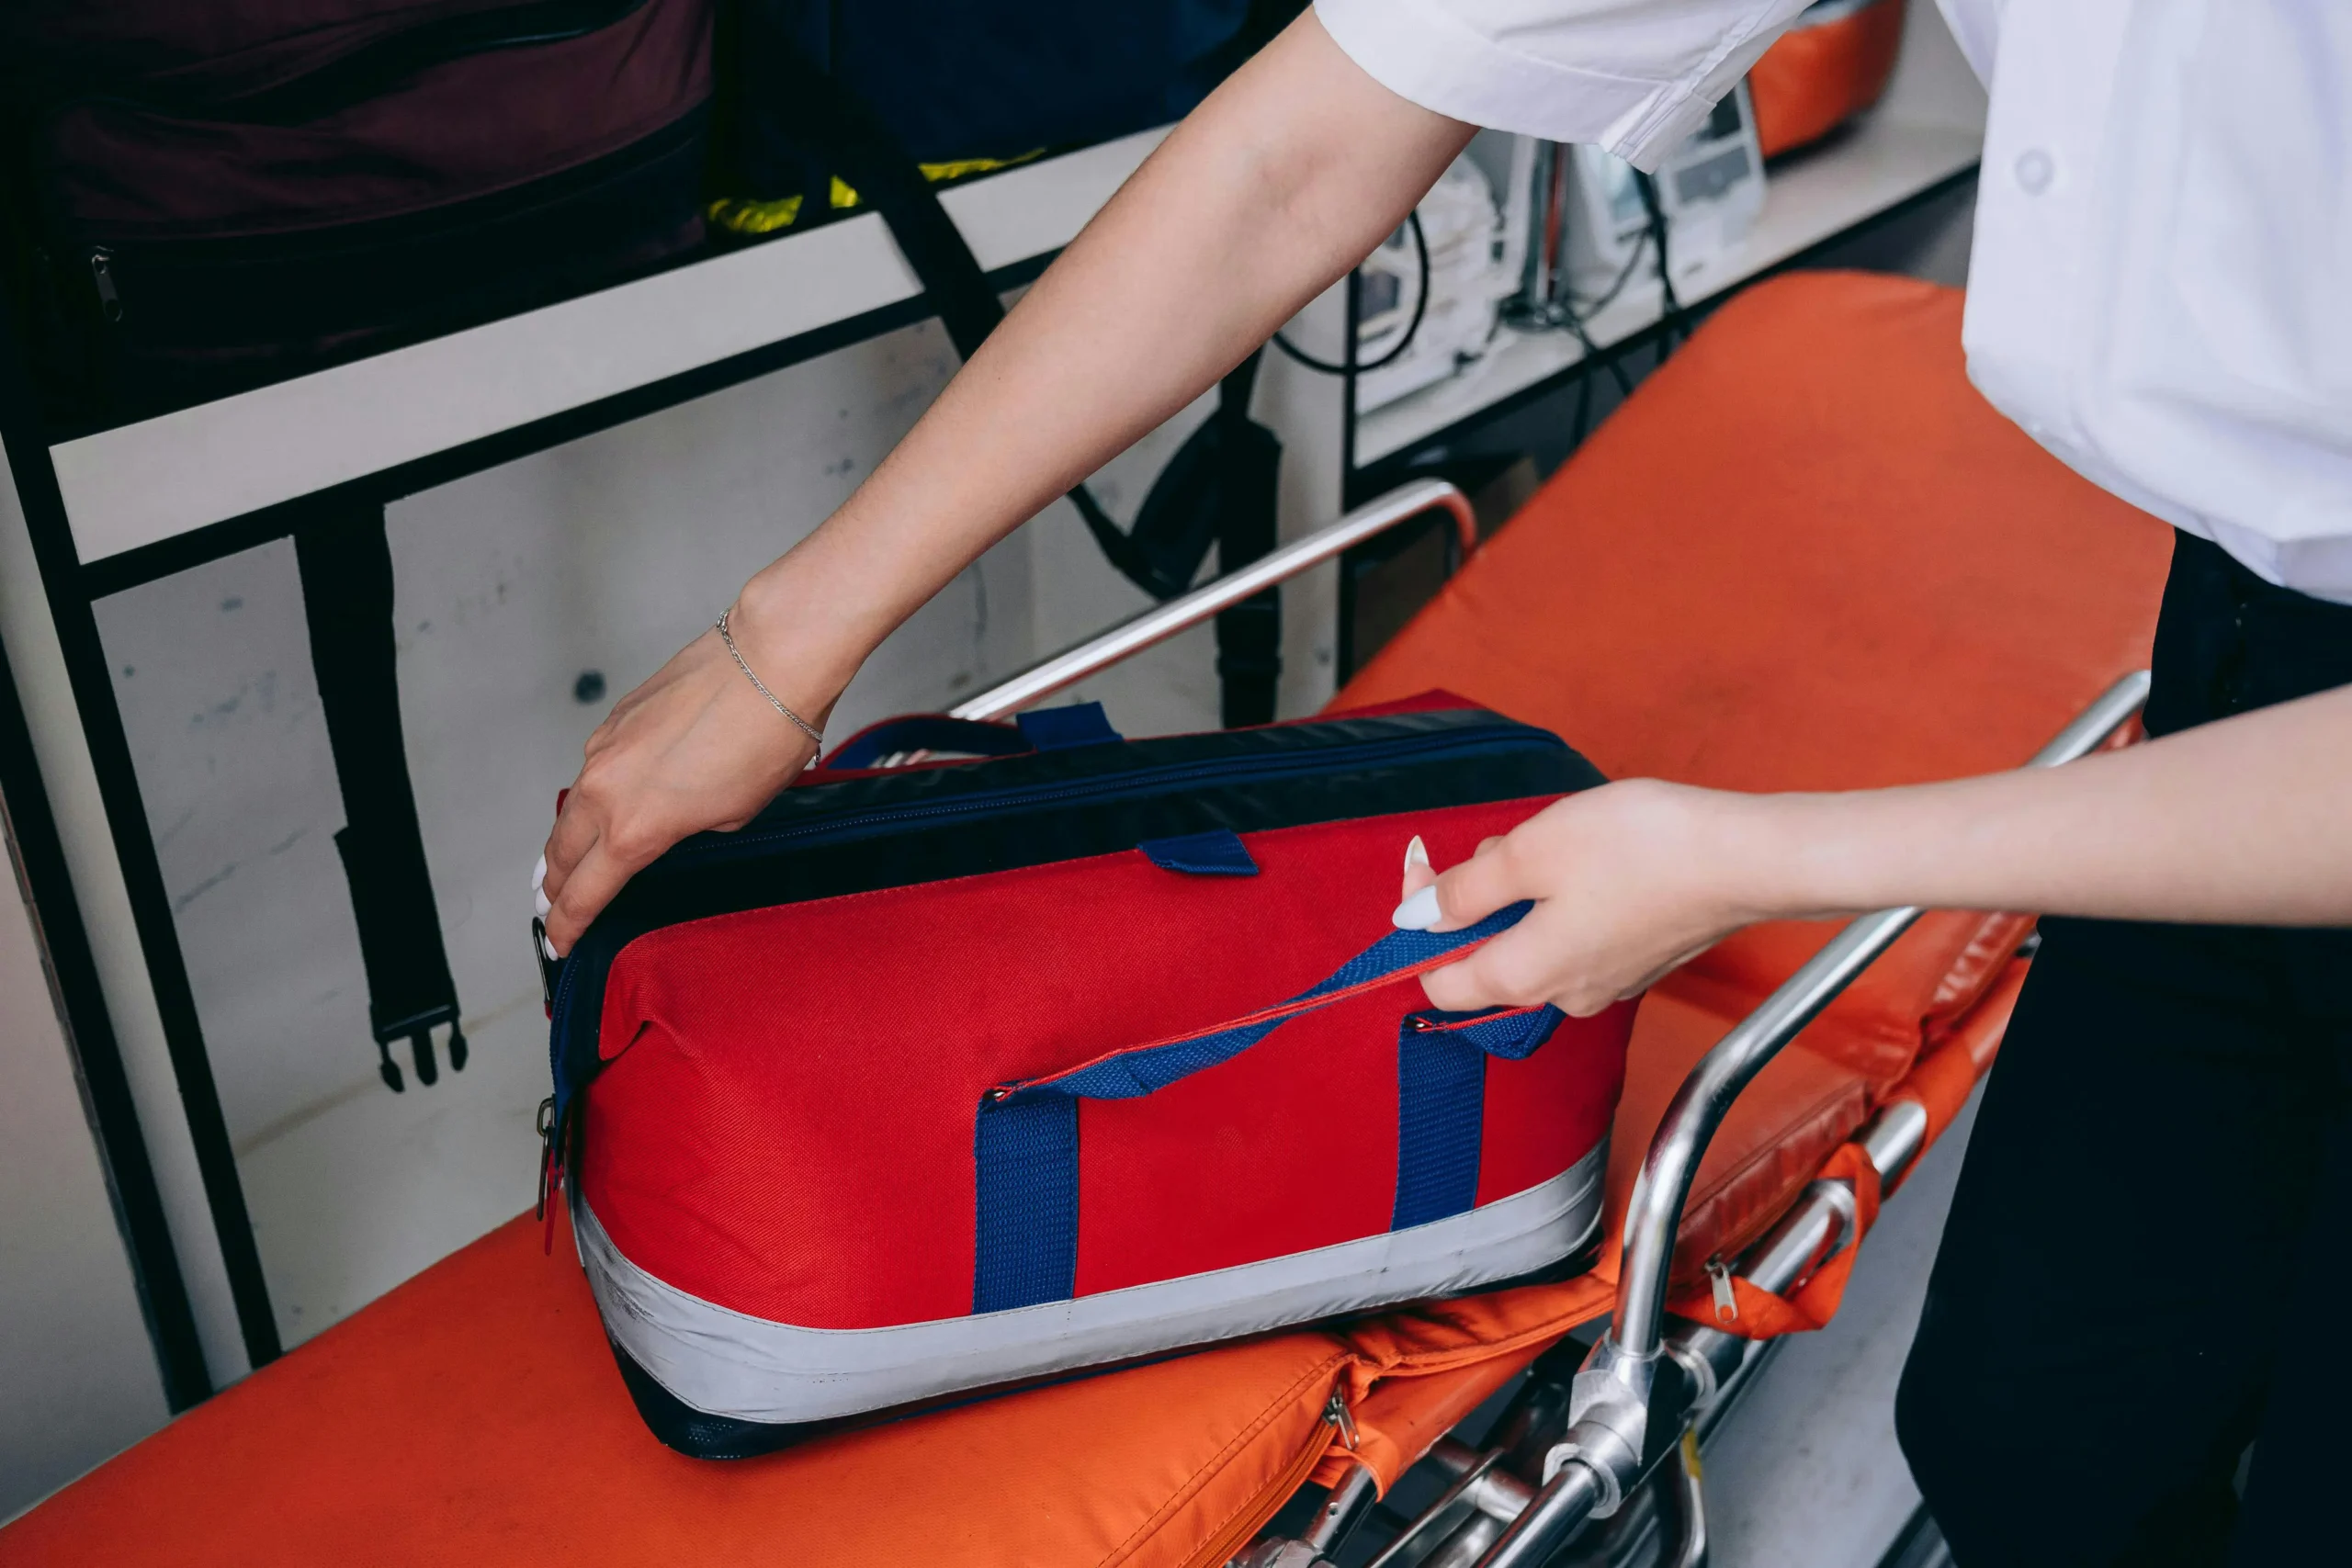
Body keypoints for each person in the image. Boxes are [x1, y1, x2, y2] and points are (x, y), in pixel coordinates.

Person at [537, 4, 2351, 1561]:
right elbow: (1315, 137)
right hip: (2249, 613)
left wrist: (1742, 856)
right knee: (2024, 1436)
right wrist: (782, 648)